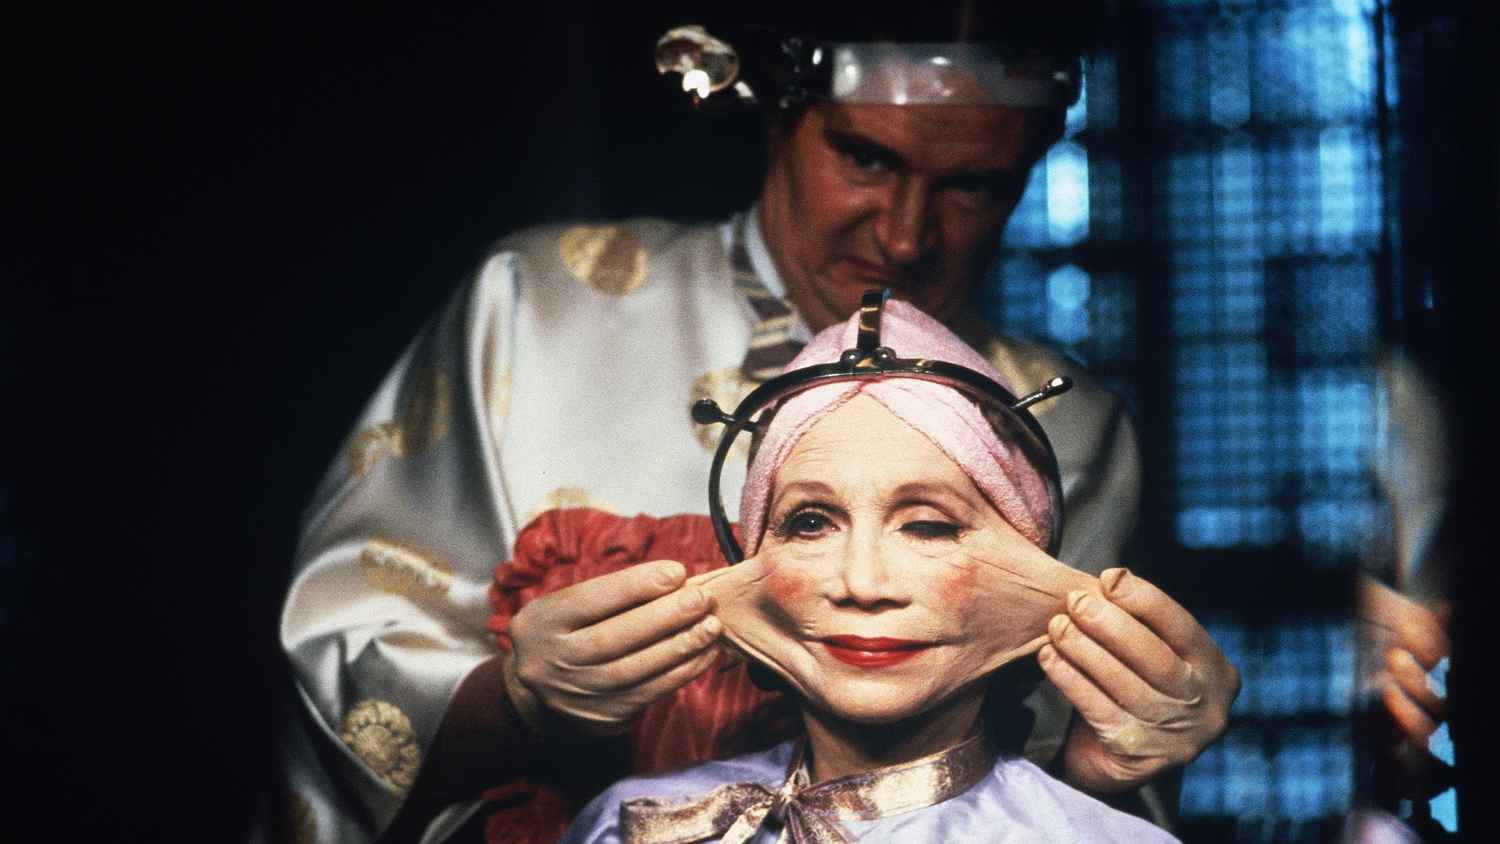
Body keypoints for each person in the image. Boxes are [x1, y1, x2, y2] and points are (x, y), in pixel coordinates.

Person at [276, 6, 1239, 842]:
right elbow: (344, 663)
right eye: (865, 157)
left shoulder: (1067, 428)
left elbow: (1037, 794)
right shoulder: (539, 311)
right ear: (778, 112)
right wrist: (516, 704)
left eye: (975, 185)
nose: (906, 235)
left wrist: (1109, 772)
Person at [552, 298, 1193, 843]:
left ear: (1027, 560)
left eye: (929, 526)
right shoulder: (631, 823)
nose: (862, 583)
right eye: (811, 523)